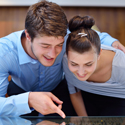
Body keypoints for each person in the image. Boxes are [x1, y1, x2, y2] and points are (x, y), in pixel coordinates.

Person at [0, 0, 124, 118]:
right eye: (45, 46)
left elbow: (90, 37)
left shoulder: (66, 37)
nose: (53, 54)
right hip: (21, 91)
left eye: (59, 45)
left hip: (58, 90)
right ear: (28, 35)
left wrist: (112, 42)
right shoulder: (4, 53)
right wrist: (28, 100)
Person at [63, 15, 125, 116]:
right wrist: (84, 120)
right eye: (74, 64)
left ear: (99, 54)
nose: (81, 72)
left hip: (118, 100)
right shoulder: (66, 59)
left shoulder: (121, 65)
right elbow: (75, 92)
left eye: (88, 64)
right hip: (85, 98)